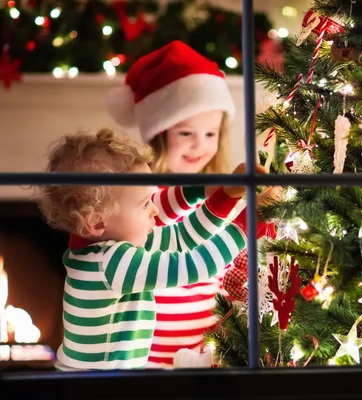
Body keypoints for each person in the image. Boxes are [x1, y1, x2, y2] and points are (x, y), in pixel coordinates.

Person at [106, 40, 280, 368]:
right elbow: (166, 220)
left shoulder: (225, 195)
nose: (200, 145)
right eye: (186, 133)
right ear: (158, 132)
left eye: (211, 134)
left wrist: (265, 211)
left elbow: (231, 263)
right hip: (149, 351)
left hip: (205, 346)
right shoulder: (143, 195)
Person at [35, 128, 268, 371]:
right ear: (96, 222)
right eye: (145, 204)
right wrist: (250, 222)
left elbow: (182, 236)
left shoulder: (102, 246)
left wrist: (225, 194)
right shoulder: (112, 265)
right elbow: (194, 265)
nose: (155, 211)